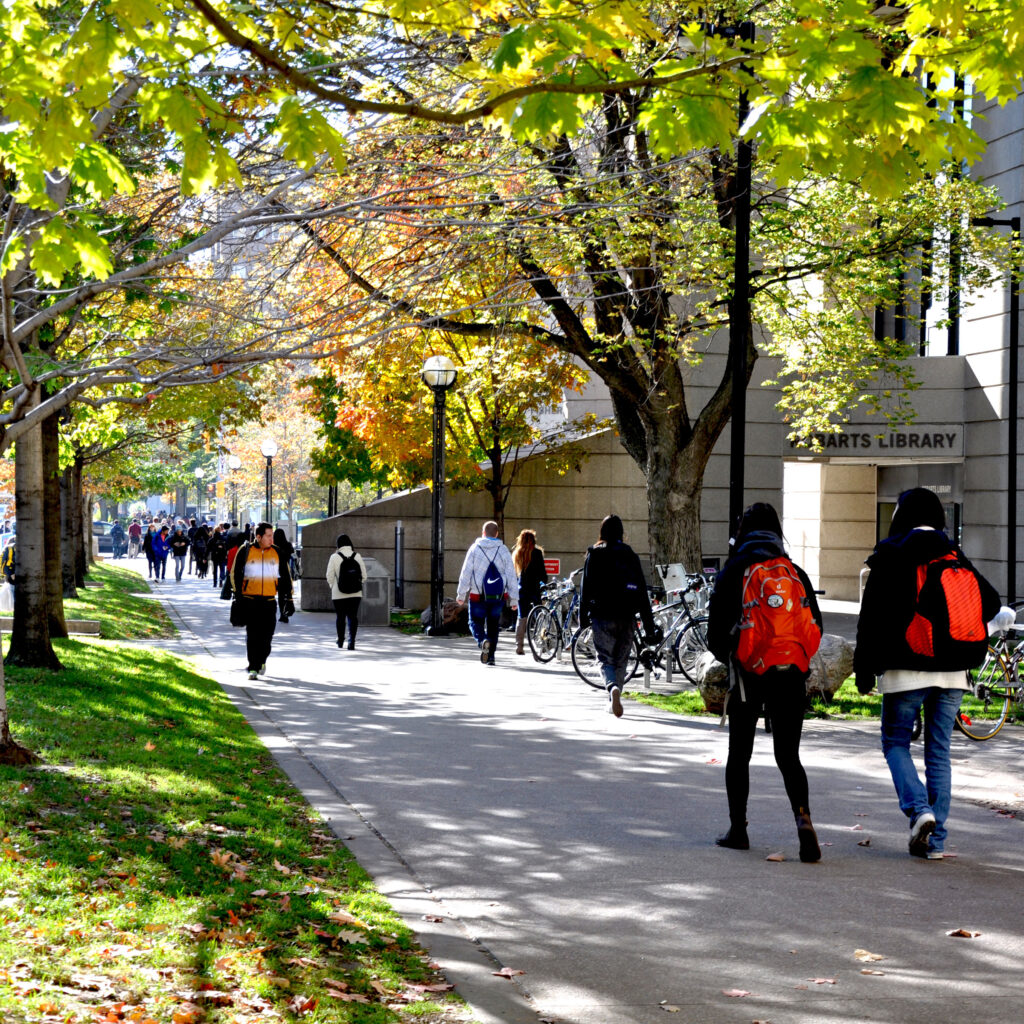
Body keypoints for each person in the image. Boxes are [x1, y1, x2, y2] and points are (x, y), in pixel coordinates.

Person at [854, 487, 1002, 860]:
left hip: (906, 668)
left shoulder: (889, 555)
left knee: (895, 743)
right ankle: (935, 843)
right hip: (954, 670)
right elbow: (992, 603)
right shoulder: (954, 555)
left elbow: (869, 619)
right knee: (939, 752)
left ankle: (919, 810)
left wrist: (864, 669)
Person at [707, 502, 823, 862]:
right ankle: (803, 820)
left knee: (739, 754)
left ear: (743, 530)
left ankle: (738, 829)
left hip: (747, 675)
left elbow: (713, 634)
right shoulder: (794, 571)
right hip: (790, 674)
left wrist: (735, 653)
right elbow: (815, 625)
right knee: (788, 755)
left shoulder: (734, 570)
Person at [579, 514, 658, 717]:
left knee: (604, 657)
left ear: (602, 531)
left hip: (602, 614)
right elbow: (641, 590)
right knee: (621, 659)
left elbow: (585, 589)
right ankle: (617, 694)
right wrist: (649, 626)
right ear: (621, 532)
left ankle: (611, 687)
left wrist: (583, 618)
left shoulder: (594, 553)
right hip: (627, 614)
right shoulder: (630, 554)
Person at [232, 521, 293, 680]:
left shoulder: (277, 552)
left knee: (267, 637)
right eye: (268, 536)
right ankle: (253, 667)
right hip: (250, 600)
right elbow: (235, 573)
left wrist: (289, 598)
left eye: (272, 536)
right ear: (258, 537)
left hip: (269, 602)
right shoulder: (246, 551)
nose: (271, 539)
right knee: (252, 635)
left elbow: (286, 577)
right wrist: (238, 594)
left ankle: (262, 660)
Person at [456, 521, 519, 666]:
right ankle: (491, 657)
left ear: (483, 533)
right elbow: (511, 575)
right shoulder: (503, 550)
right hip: (497, 597)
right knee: (493, 625)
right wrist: (514, 600)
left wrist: (461, 594)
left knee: (474, 622)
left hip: (477, 596)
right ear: (496, 534)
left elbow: (466, 572)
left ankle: (482, 640)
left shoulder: (475, 549)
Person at [326, 533, 367, 650]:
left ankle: (340, 640)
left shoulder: (334, 557)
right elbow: (364, 575)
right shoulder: (357, 556)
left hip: (338, 594)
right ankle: (352, 641)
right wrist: (357, 585)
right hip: (355, 593)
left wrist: (333, 586)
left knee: (340, 617)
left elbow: (329, 576)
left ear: (338, 544)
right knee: (353, 617)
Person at [511, 529, 548, 655]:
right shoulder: (537, 553)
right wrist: (544, 583)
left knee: (521, 617)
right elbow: (543, 573)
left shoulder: (517, 553)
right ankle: (539, 644)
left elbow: (516, 574)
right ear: (533, 540)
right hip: (535, 589)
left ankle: (519, 646)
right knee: (539, 616)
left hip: (522, 588)